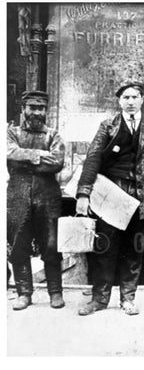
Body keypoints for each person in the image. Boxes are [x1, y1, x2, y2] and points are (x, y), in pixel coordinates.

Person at [75, 82, 144, 316]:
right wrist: (83, 193)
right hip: (112, 195)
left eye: (134, 97)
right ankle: (100, 299)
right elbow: (93, 159)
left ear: (142, 100)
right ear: (119, 101)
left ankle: (128, 298)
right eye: (125, 97)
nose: (130, 101)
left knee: (135, 249)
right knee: (106, 248)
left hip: (142, 196)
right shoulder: (108, 126)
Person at [7, 90, 66, 310]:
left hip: (48, 196)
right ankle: (24, 293)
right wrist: (39, 156)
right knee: (18, 244)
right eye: (32, 107)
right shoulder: (11, 133)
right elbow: (9, 152)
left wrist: (25, 157)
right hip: (17, 195)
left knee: (51, 244)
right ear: (23, 109)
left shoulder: (54, 135)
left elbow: (57, 161)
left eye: (41, 108)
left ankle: (55, 292)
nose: (37, 112)